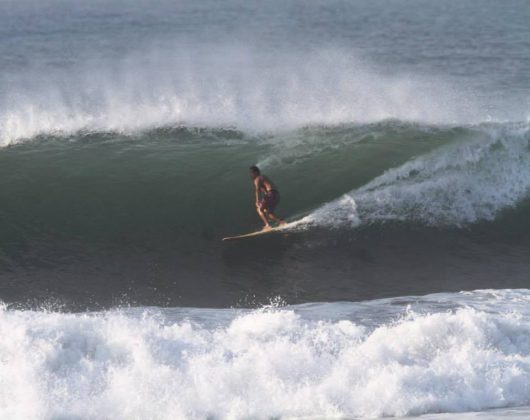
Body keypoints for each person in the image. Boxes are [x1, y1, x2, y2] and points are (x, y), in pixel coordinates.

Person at [249, 166, 286, 231]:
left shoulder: (257, 179)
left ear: (256, 172)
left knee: (259, 209)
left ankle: (267, 225)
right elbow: (266, 190)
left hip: (271, 194)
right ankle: (282, 222)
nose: (251, 174)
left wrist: (257, 201)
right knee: (268, 212)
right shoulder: (263, 177)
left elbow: (257, 190)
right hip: (276, 194)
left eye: (252, 173)